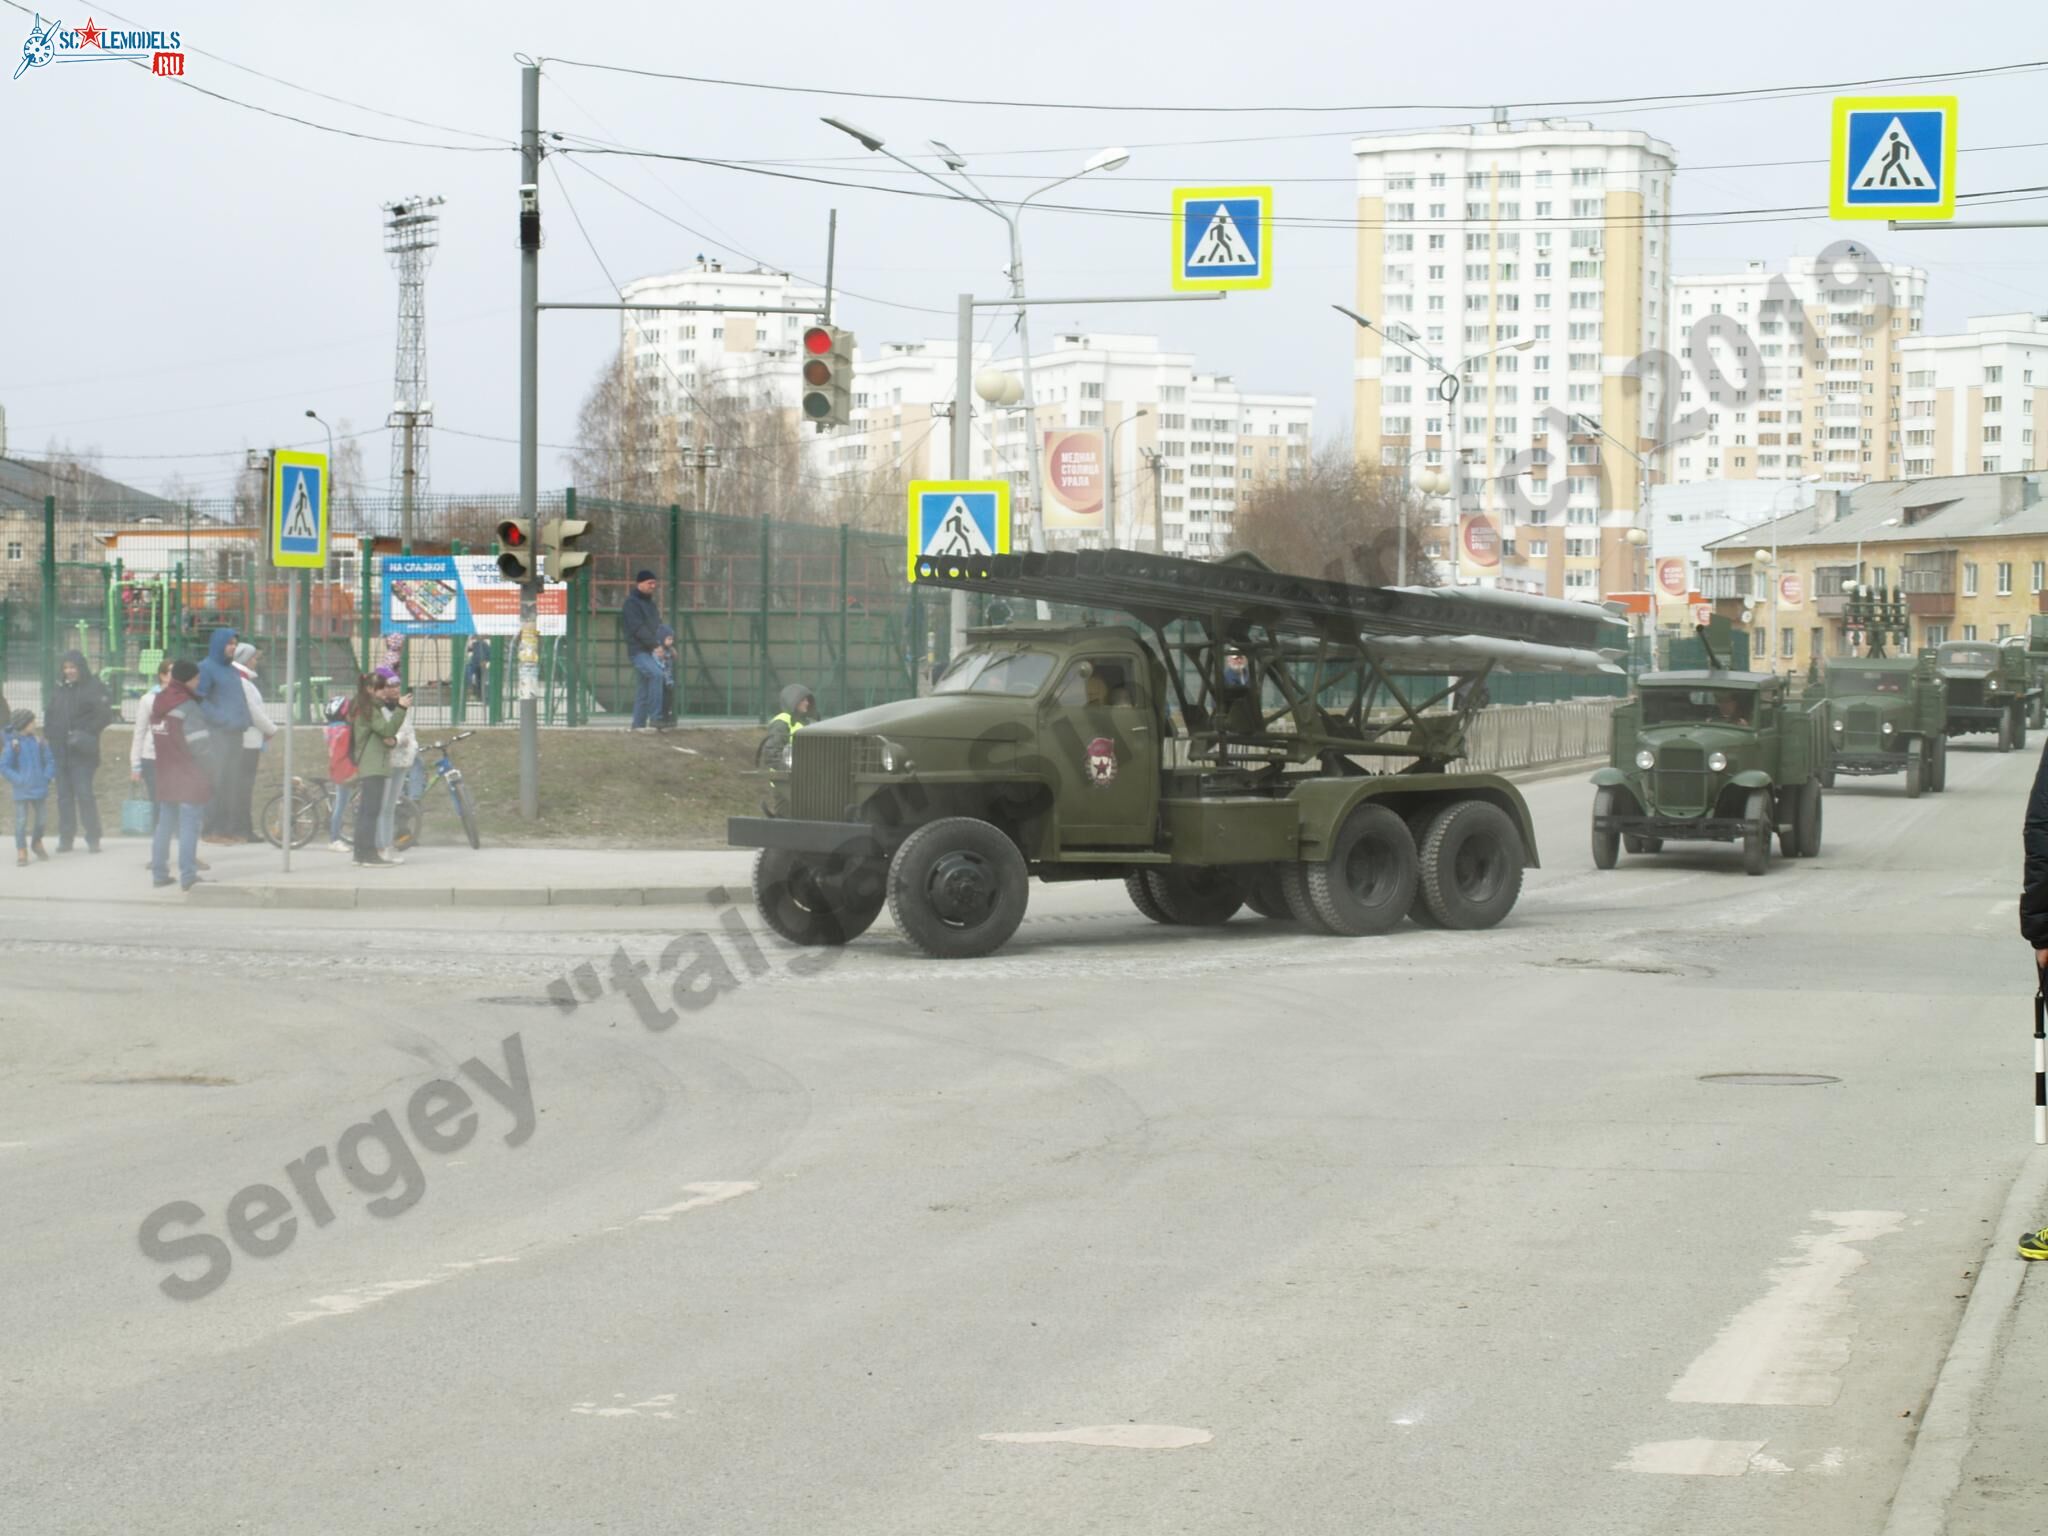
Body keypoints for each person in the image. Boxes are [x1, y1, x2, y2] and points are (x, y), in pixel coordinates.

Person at [149, 659, 212, 891]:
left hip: (165, 771)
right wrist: (210, 769)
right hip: (188, 774)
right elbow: (201, 746)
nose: (198, 683)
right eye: (196, 678)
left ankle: (159, 873)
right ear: (187, 679)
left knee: (164, 824)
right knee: (189, 826)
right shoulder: (188, 706)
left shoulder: (158, 701)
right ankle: (188, 875)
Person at [45, 649, 110, 853]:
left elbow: (104, 716)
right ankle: (66, 838)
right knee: (63, 797)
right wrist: (50, 735)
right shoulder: (59, 689)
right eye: (65, 668)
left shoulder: (94, 687)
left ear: (80, 668)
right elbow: (50, 714)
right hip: (60, 751)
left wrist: (84, 733)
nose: (69, 671)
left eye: (72, 667)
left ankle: (93, 837)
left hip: (82, 753)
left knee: (84, 795)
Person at [348, 667, 410, 870]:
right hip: (373, 764)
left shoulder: (365, 706)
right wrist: (401, 708)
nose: (384, 692)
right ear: (369, 689)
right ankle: (367, 854)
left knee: (368, 810)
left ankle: (360, 853)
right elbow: (387, 730)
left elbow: (385, 735)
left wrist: (390, 740)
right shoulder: (369, 710)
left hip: (372, 763)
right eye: (380, 689)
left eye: (384, 688)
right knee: (370, 812)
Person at [194, 626, 249, 843]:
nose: (233, 647)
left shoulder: (233, 670)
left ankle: (227, 828)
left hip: (236, 733)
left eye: (235, 643)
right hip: (218, 735)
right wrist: (221, 719)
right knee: (216, 781)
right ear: (219, 644)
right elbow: (200, 699)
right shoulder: (206, 668)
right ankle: (211, 830)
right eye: (229, 643)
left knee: (231, 783)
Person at [231, 643, 279, 843]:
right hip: (248, 741)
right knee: (244, 788)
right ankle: (243, 829)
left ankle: (242, 827)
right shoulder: (243, 683)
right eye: (253, 658)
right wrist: (271, 729)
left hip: (249, 740)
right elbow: (253, 711)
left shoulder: (243, 680)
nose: (256, 661)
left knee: (242, 788)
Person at [1, 709, 55, 866]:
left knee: (42, 819)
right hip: (22, 790)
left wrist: (46, 777)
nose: (34, 724)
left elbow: (50, 760)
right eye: (31, 722)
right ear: (24, 725)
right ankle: (21, 850)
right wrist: (19, 780)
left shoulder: (39, 741)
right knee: (21, 821)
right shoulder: (13, 744)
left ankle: (36, 842)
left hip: (39, 787)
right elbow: (4, 766)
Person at [375, 690, 422, 864]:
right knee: (383, 807)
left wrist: (412, 748)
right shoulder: (380, 712)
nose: (396, 692)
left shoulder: (401, 712)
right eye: (391, 687)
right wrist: (400, 739)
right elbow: (386, 737)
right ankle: (381, 846)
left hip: (401, 763)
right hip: (387, 763)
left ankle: (386, 846)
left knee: (389, 808)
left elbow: (410, 733)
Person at [621, 570, 665, 730]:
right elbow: (638, 629)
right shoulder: (631, 604)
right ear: (639, 583)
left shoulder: (650, 604)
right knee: (657, 675)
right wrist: (656, 645)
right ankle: (656, 718)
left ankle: (638, 724)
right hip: (639, 651)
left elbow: (657, 626)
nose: (653, 586)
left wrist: (664, 645)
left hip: (649, 650)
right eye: (649, 583)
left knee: (644, 688)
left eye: (654, 583)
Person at [324, 694, 358, 853]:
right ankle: (334, 838)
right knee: (340, 805)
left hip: (337, 769)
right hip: (345, 771)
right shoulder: (345, 730)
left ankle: (335, 836)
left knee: (340, 803)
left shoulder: (332, 728)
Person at [757, 683, 816, 767]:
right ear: (793, 701)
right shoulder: (781, 722)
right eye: (803, 700)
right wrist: (791, 771)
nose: (807, 703)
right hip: (786, 778)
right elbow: (771, 756)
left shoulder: (807, 722)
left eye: (807, 700)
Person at [654, 624, 680, 729]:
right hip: (661, 680)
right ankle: (660, 718)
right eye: (669, 639)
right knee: (662, 699)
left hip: (668, 680)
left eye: (672, 639)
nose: (671, 641)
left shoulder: (670, 650)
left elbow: (673, 658)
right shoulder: (658, 651)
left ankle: (666, 717)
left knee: (668, 699)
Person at [463, 635, 490, 715]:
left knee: (481, 680)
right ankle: (472, 692)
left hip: (480, 664)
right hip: (474, 663)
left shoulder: (484, 645)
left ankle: (481, 696)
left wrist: (485, 661)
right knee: (470, 675)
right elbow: (468, 653)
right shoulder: (473, 644)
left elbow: (489, 654)